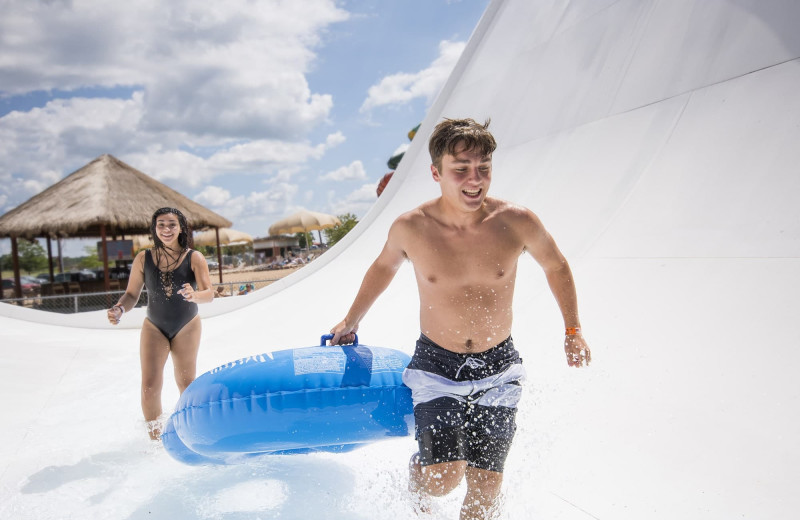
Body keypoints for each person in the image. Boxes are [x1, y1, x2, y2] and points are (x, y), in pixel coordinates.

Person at [329, 118, 591, 519]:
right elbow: (382, 268)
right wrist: (351, 321)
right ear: (436, 173)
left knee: (487, 487)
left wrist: (573, 330)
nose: (475, 179)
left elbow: (556, 266)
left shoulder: (516, 221)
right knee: (445, 479)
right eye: (461, 168)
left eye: (483, 167)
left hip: (499, 368)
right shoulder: (411, 227)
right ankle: (418, 474)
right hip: (437, 367)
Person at [107, 208, 213, 440]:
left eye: (172, 225)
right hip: (154, 326)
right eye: (161, 225)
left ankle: (192, 435)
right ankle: (155, 440)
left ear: (181, 228)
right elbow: (131, 294)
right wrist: (119, 308)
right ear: (155, 228)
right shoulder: (143, 258)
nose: (166, 230)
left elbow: (209, 293)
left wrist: (195, 295)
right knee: (149, 387)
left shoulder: (194, 257)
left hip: (187, 325)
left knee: (186, 385)